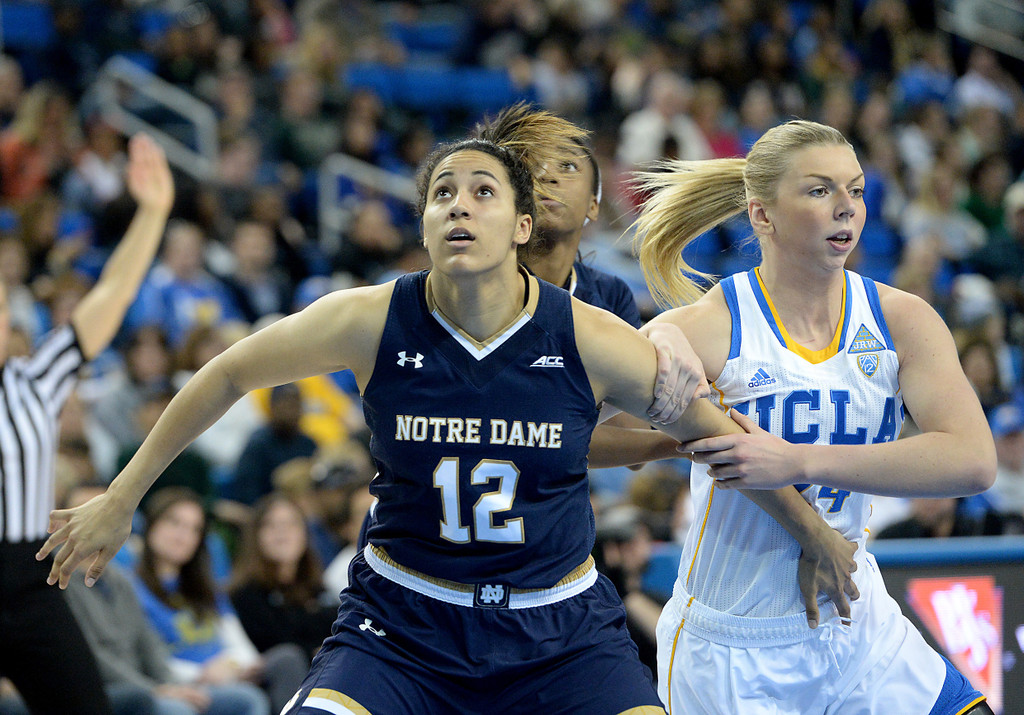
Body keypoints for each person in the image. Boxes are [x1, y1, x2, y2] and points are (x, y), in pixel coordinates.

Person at [37, 134, 847, 714]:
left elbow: (720, 437)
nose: (459, 204)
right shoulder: (369, 318)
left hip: (557, 633)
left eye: (482, 191)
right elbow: (225, 371)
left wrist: (816, 531)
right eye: (442, 194)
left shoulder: (589, 335)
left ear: (521, 229)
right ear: (424, 226)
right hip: (401, 625)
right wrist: (121, 494)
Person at [630, 120, 996, 713]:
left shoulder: (902, 319)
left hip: (857, 621)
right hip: (734, 648)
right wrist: (678, 432)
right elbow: (581, 430)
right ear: (762, 216)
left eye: (854, 189)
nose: (847, 208)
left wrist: (793, 460)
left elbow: (973, 461)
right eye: (820, 191)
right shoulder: (708, 325)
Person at [0, 133, 173, 715]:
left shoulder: (33, 380)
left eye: (0, 307)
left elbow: (113, 294)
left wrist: (152, 213)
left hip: (30, 583)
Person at [131, 487, 307, 715]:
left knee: (287, 658)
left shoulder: (204, 587)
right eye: (174, 523)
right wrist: (200, 673)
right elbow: (145, 658)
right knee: (246, 699)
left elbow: (237, 641)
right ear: (151, 525)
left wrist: (235, 666)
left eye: (193, 529)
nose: (182, 535)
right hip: (185, 682)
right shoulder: (132, 588)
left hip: (230, 673)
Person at [229, 493, 337, 658]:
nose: (282, 532)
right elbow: (274, 648)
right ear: (255, 536)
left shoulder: (319, 587)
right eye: (270, 525)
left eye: (291, 524)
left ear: (305, 534)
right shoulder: (245, 594)